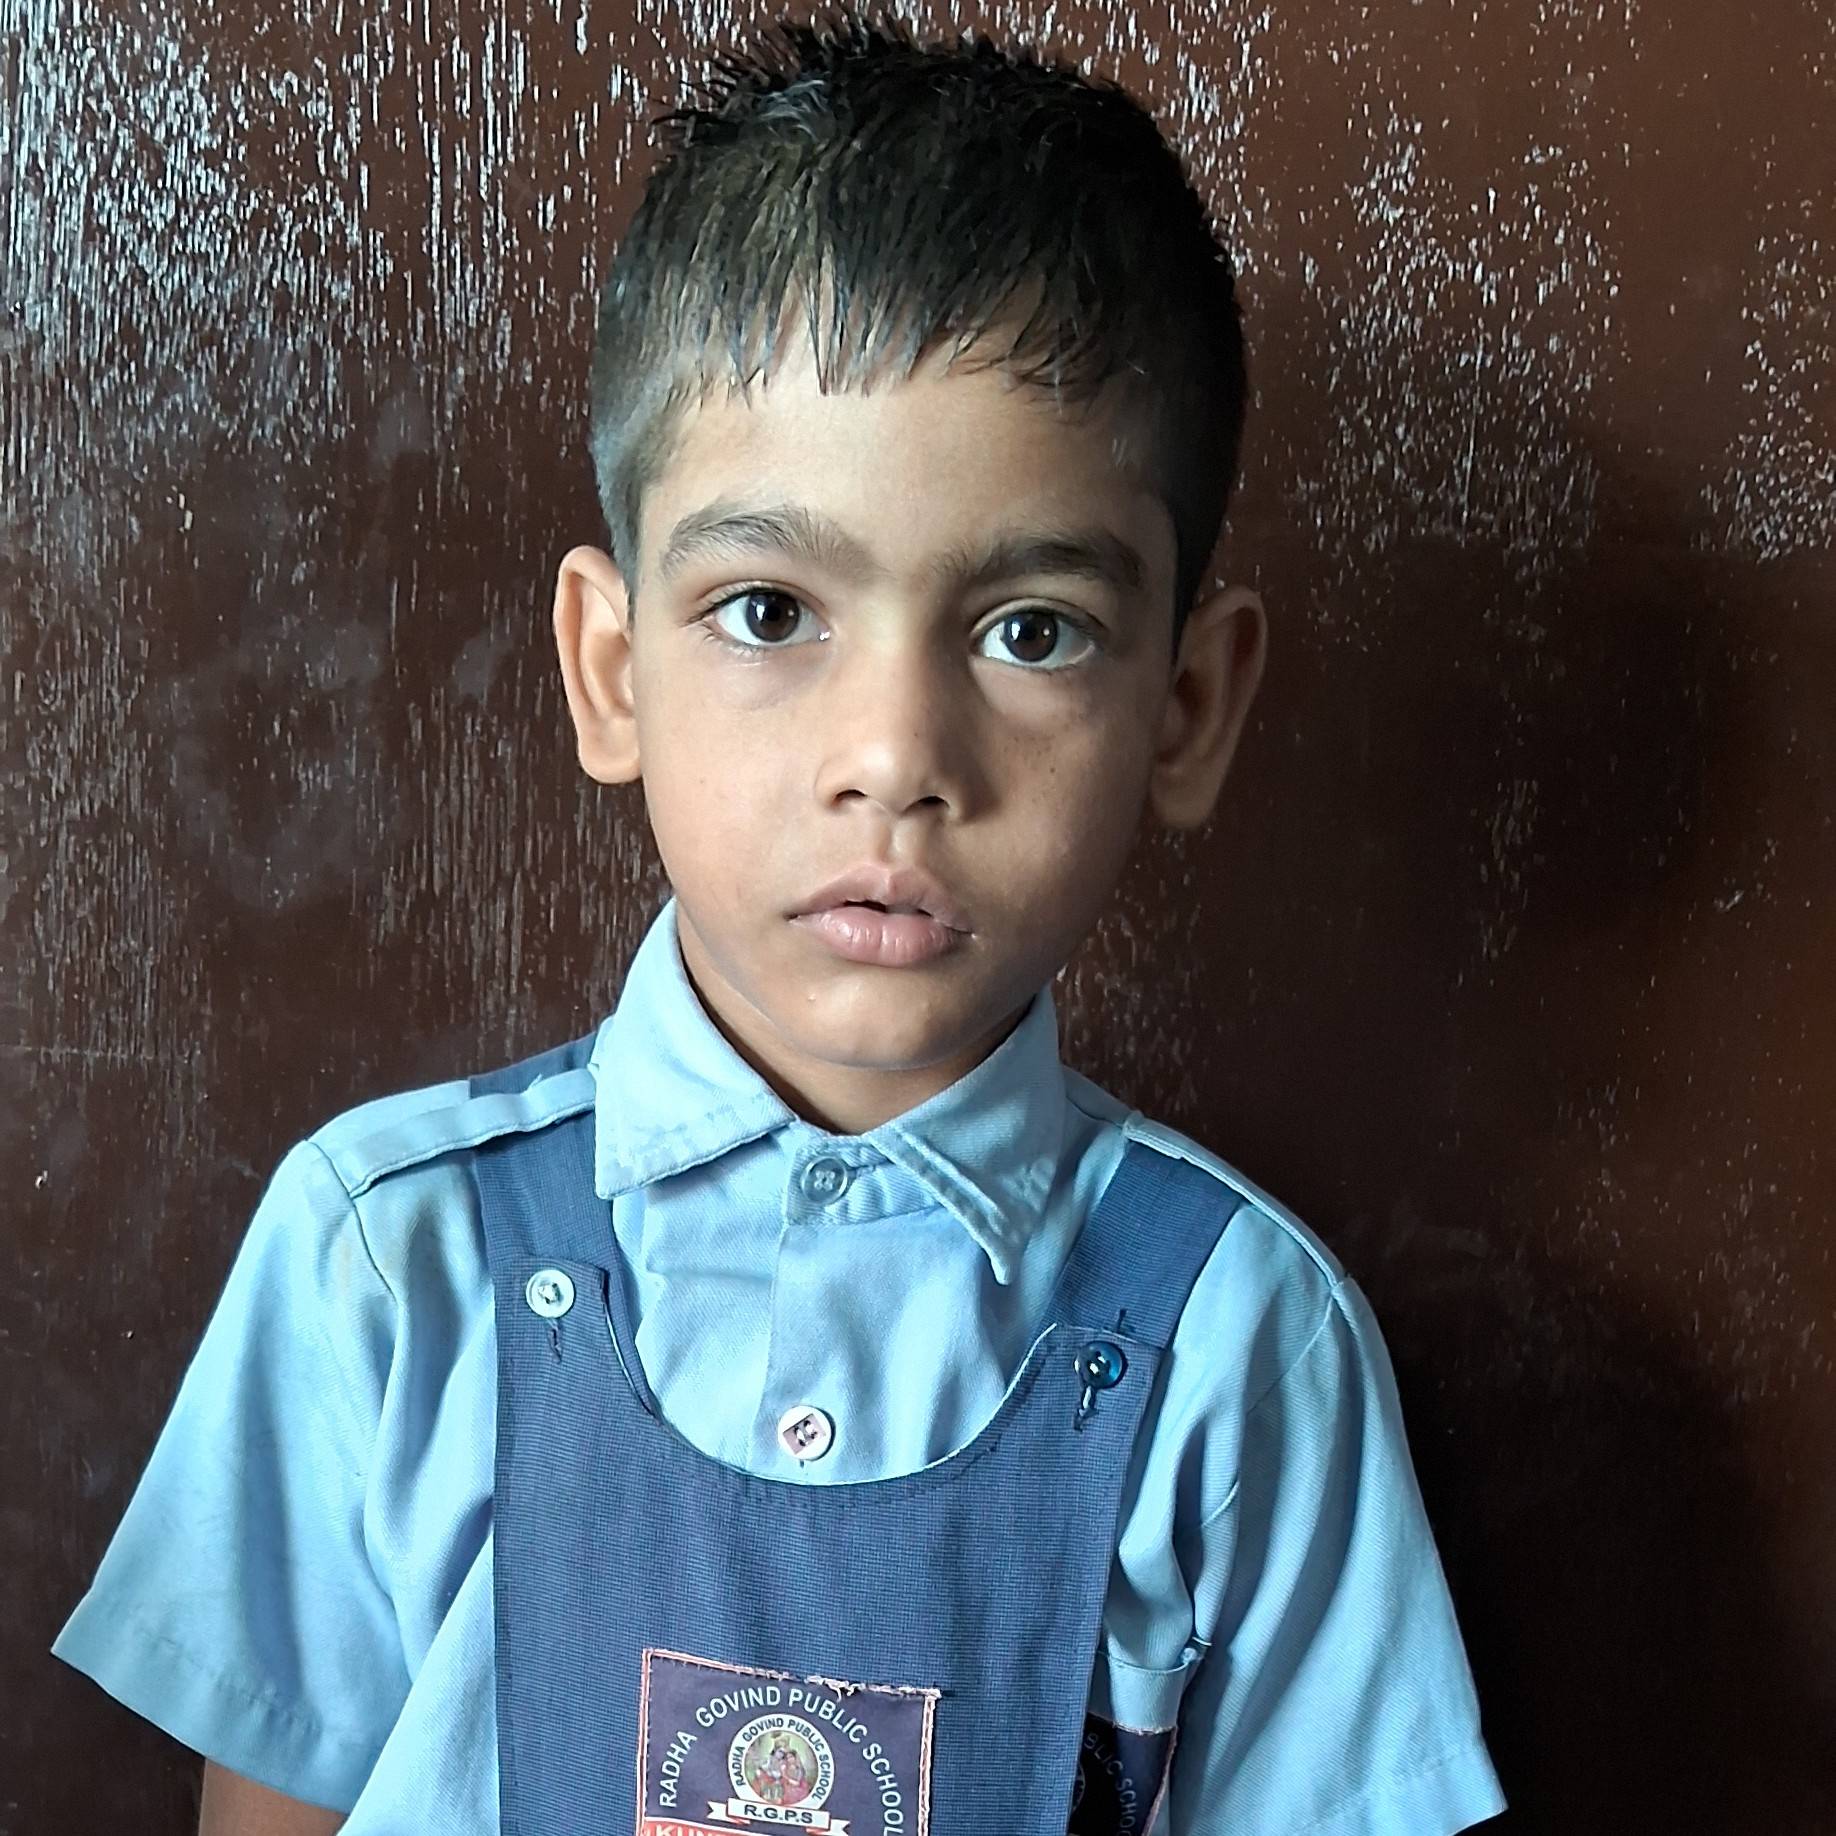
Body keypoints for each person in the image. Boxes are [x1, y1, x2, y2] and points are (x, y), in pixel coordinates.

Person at [53, 8, 1509, 1833]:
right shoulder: (386, 1266)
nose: (893, 757)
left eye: (1033, 630)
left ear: (1187, 709)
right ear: (613, 669)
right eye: (767, 612)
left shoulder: (1241, 1348)